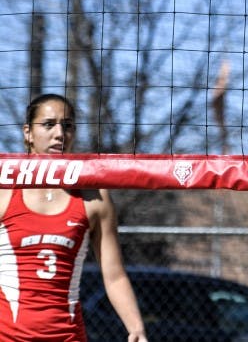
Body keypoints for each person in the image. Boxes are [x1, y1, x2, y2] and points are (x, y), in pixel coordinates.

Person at [0, 93, 147, 342]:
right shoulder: (5, 192)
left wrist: (136, 328)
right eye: (48, 124)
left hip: (67, 335)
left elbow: (114, 275)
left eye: (67, 126)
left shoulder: (94, 197)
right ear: (28, 133)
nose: (59, 133)